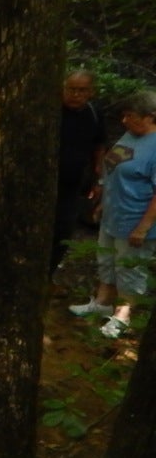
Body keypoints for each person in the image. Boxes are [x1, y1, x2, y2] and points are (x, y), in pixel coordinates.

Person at [69, 90, 156, 338]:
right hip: (113, 213)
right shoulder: (130, 136)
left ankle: (122, 316)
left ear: (150, 117)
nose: (124, 121)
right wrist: (102, 200)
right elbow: (111, 165)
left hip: (136, 219)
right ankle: (102, 302)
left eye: (131, 116)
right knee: (106, 260)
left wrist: (143, 227)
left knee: (129, 268)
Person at [52, 70, 108, 277]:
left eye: (82, 90)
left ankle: (49, 276)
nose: (76, 95)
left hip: (72, 185)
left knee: (63, 231)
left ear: (91, 92)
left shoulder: (93, 113)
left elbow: (99, 148)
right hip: (43, 184)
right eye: (71, 89)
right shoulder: (51, 111)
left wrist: (99, 178)